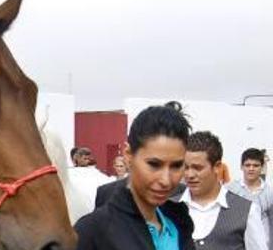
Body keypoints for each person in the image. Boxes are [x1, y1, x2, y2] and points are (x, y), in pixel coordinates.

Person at [75, 101, 196, 249]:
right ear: (128, 155)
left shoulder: (179, 223)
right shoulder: (93, 232)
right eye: (154, 164)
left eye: (176, 166)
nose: (166, 180)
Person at [181, 131, 266, 249]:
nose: (189, 175)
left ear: (217, 167)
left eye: (197, 168)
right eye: (185, 167)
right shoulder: (168, 208)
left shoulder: (247, 211)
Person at [228, 148, 273, 250]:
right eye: (247, 165)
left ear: (262, 167)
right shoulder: (230, 190)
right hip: (237, 245)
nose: (251, 168)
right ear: (241, 166)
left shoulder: (270, 193)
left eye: (256, 165)